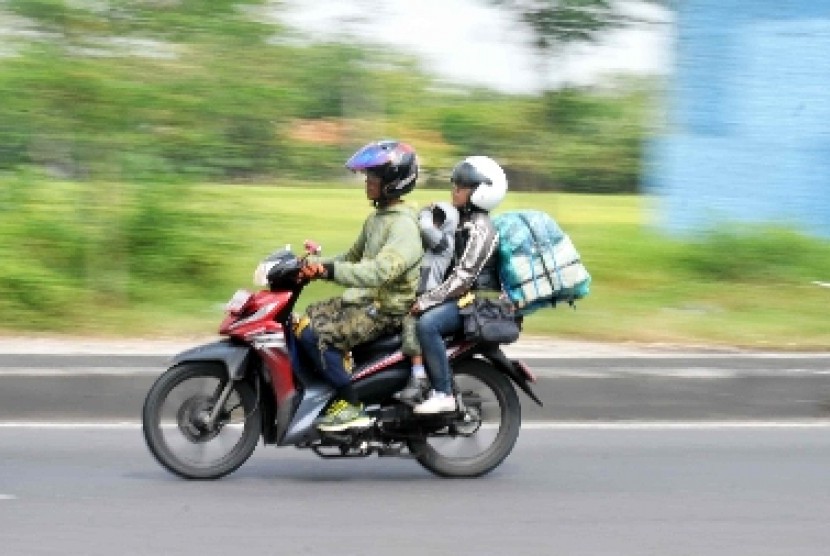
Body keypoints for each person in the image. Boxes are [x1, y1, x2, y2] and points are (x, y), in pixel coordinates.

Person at [296, 140, 424, 431]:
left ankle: (351, 404)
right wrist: (311, 267)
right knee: (302, 321)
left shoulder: (403, 226)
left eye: (373, 177)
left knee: (318, 335)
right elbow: (351, 258)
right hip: (364, 302)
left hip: (386, 310)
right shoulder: (377, 219)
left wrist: (329, 271)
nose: (367, 182)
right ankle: (327, 384)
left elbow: (378, 273)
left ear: (393, 182)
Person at [409, 155, 508, 414]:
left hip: (479, 303)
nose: (455, 190)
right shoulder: (463, 222)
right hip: (465, 299)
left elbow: (463, 278)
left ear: (481, 193)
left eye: (462, 186)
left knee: (427, 324)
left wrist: (426, 301)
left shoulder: (481, 228)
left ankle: (443, 393)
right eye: (455, 184)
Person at [395, 201, 459, 405]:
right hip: (421, 292)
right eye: (435, 219)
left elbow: (424, 226)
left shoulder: (443, 242)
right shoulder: (429, 243)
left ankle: (418, 375)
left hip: (430, 295)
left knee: (411, 323)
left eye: (440, 220)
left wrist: (424, 212)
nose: (435, 223)